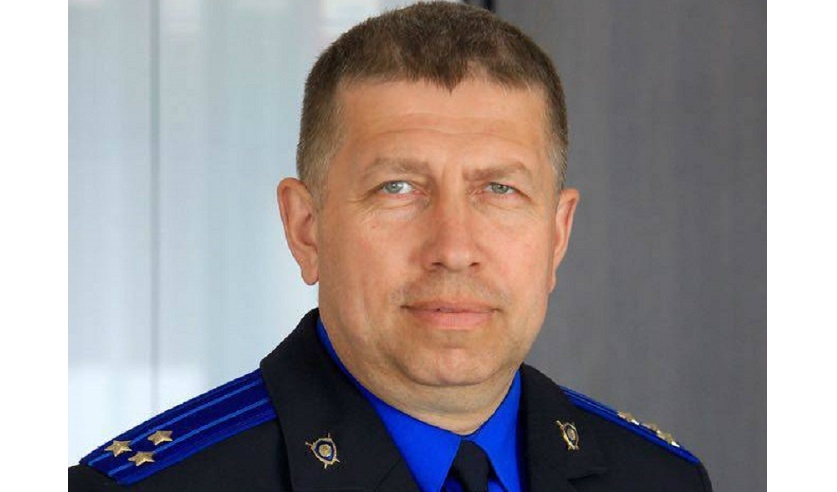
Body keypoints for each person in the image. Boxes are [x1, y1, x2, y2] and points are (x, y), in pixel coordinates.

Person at [69, 3, 712, 491]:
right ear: (306, 229)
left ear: (557, 234)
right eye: (397, 188)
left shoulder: (661, 480)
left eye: (500, 189)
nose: (454, 248)